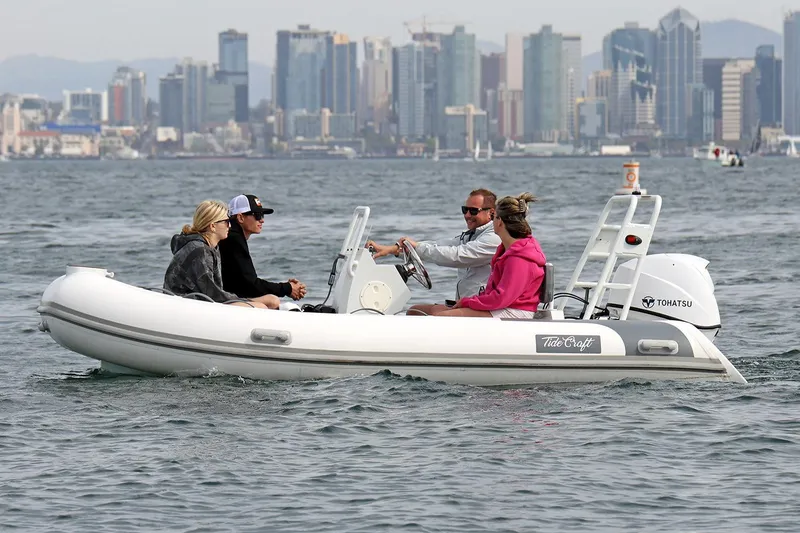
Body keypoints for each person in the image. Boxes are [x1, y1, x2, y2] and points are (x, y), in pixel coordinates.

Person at [365, 188, 501, 316]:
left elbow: (456, 256)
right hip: (466, 304)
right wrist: (394, 250)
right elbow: (439, 245)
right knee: (414, 311)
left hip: (484, 308)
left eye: (473, 211)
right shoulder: (471, 235)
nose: (467, 215)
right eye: (464, 210)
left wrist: (417, 247)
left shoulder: (494, 238)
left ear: (491, 213)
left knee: (436, 316)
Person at [432, 193, 546, 318]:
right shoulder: (506, 250)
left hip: (515, 312)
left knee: (442, 317)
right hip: (503, 306)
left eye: (494, 218)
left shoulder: (519, 258)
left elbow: (502, 297)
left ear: (500, 222)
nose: (492, 223)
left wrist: (468, 302)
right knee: (419, 311)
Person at [164, 200, 279, 309]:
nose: (230, 226)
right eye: (226, 222)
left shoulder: (211, 247)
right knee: (262, 307)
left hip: (200, 301)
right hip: (187, 305)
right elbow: (212, 294)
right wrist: (247, 301)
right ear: (213, 226)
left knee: (272, 300)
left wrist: (244, 300)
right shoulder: (200, 251)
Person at [219, 194, 306, 304]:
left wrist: (286, 288)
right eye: (258, 215)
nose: (262, 220)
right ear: (240, 217)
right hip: (221, 300)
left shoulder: (232, 235)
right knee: (272, 301)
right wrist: (287, 288)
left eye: (262, 215)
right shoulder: (234, 239)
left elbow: (246, 284)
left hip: (225, 294)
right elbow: (251, 285)